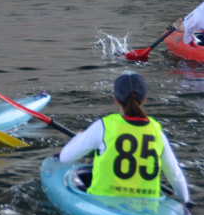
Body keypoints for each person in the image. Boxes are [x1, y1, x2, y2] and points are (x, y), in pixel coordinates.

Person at [59, 72, 190, 203]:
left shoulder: (103, 126)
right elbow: (175, 175)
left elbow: (65, 158)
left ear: (115, 99)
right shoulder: (157, 132)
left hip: (103, 202)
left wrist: (78, 138)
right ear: (145, 98)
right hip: (148, 206)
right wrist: (183, 200)